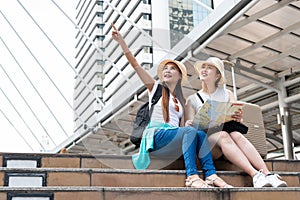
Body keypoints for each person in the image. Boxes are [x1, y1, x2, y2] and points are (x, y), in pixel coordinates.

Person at [111, 23, 232, 188]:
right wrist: (121, 42)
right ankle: (192, 176)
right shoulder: (156, 90)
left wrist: (190, 124)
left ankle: (210, 175)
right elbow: (136, 65)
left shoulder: (181, 101)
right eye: (165, 69)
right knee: (191, 132)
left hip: (172, 140)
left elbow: (183, 130)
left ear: (180, 76)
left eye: (172, 69)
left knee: (200, 135)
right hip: (156, 137)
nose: (167, 71)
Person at [185, 57, 288, 188]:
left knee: (236, 134)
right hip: (206, 143)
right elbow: (189, 128)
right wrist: (191, 122)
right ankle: (255, 175)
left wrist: (237, 117)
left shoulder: (227, 93)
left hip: (228, 137)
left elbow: (235, 116)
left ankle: (267, 174)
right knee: (223, 135)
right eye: (203, 67)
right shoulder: (192, 99)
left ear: (217, 75)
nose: (204, 70)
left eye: (209, 68)